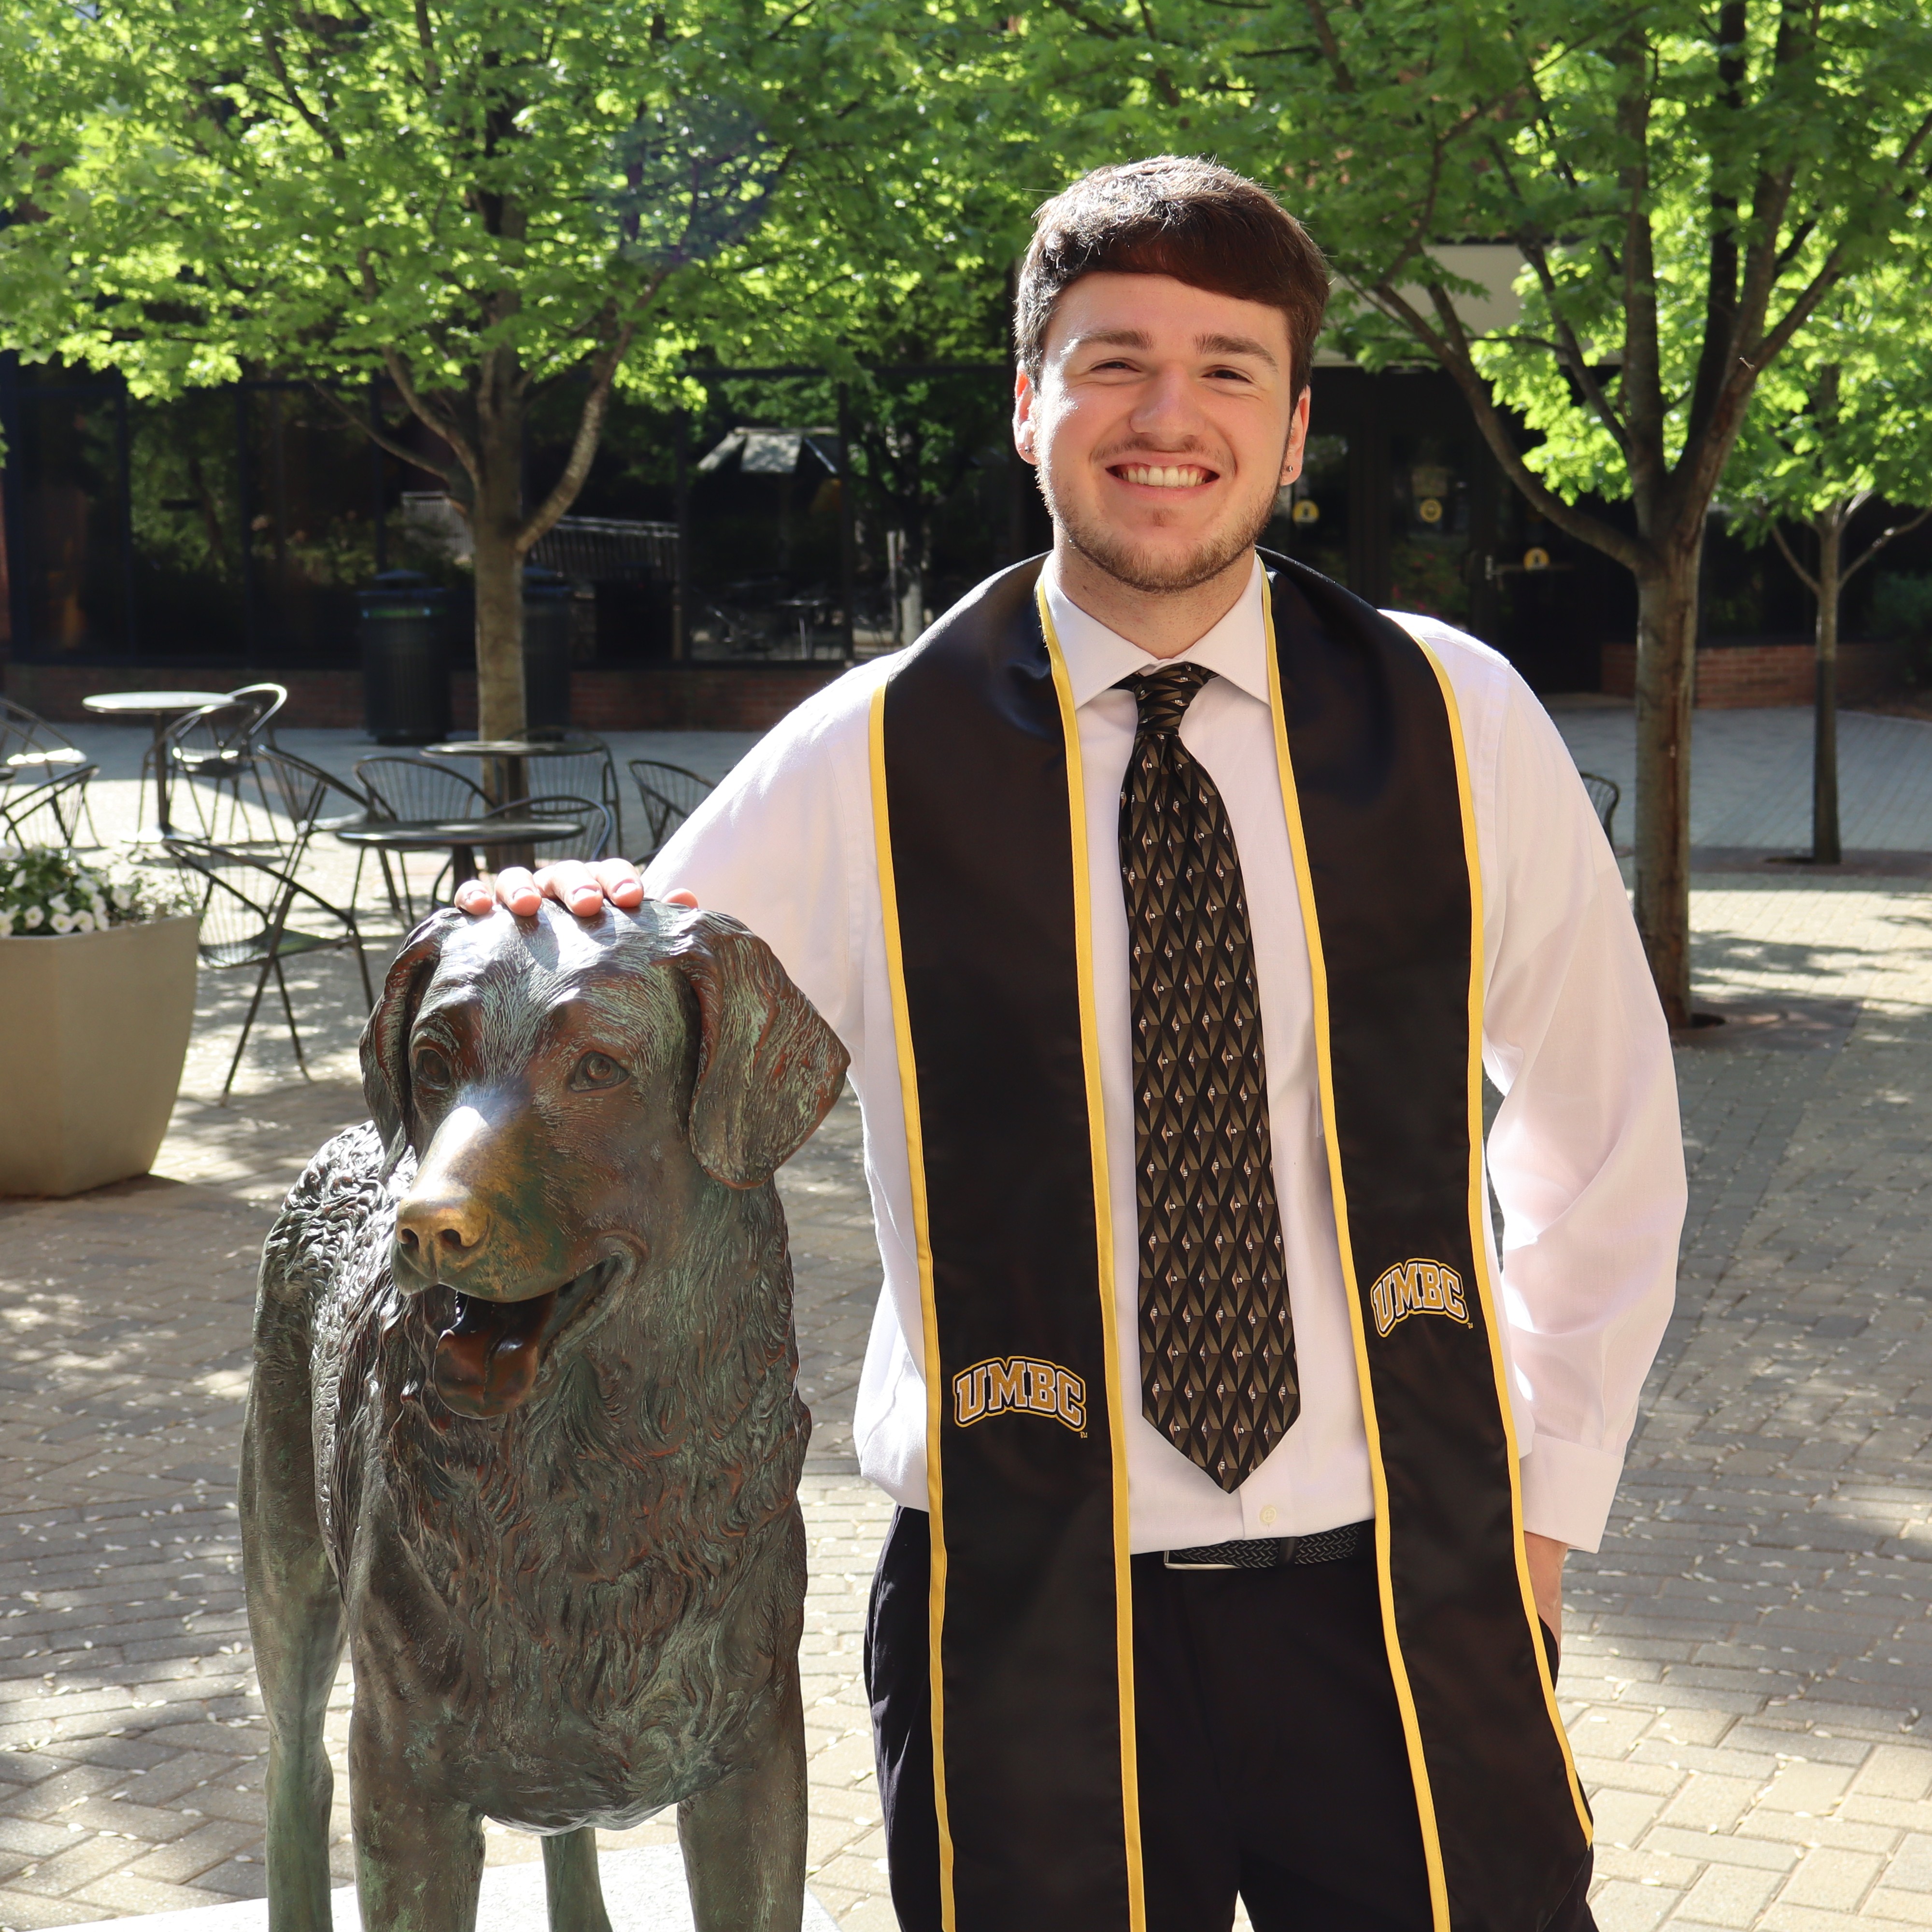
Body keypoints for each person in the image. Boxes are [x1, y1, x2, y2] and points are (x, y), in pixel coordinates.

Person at [459, 156, 1684, 1932]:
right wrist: (557, 940)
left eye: (1226, 367)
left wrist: (1549, 1502)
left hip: (1406, 1584)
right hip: (1018, 1612)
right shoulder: (866, 753)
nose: (1167, 415)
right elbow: (624, 1037)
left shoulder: (1452, 714)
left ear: (1294, 424)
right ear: (1030, 400)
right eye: (1112, 361)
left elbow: (1601, 1122)